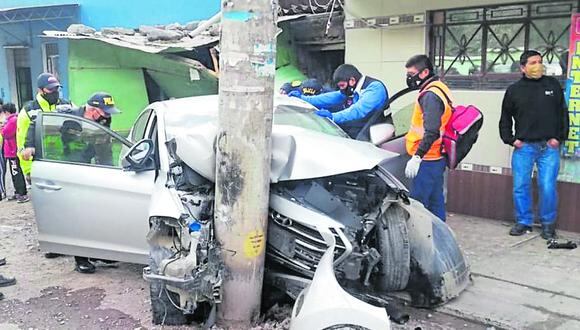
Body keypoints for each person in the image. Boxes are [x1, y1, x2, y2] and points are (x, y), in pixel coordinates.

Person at [499, 50, 569, 240]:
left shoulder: (552, 85)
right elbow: (505, 119)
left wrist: (558, 138)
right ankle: (523, 222)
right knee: (520, 186)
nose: (538, 66)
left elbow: (563, 114)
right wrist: (512, 140)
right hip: (524, 148)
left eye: (540, 62)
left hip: (549, 147)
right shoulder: (514, 90)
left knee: (547, 186)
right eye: (533, 63)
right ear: (523, 67)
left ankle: (548, 224)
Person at [403, 55, 453, 222]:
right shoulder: (439, 87)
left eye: (412, 74)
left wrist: (417, 157)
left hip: (427, 159)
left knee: (417, 206)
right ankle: (440, 237)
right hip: (436, 156)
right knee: (435, 201)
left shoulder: (430, 95)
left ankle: (420, 243)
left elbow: (431, 131)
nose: (409, 78)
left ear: (424, 72)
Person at [289, 64, 389, 140]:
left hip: (378, 137)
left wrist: (333, 117)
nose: (341, 90)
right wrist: (303, 98)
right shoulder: (351, 89)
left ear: (352, 81)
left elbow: (358, 110)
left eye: (342, 86)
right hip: (363, 133)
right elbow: (331, 97)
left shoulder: (375, 88)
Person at [17, 73, 73, 180]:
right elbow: (22, 143)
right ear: (40, 90)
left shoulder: (67, 105)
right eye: (50, 89)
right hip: (42, 166)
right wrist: (29, 170)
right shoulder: (29, 111)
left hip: (66, 163)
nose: (54, 92)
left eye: (56, 88)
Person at [1, 103, 29, 203]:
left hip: (13, 151)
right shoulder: (14, 119)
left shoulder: (12, 120)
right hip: (11, 151)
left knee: (16, 173)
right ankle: (18, 192)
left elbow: (5, 133)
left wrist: (2, 127)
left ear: (6, 112)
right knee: (14, 173)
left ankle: (22, 193)